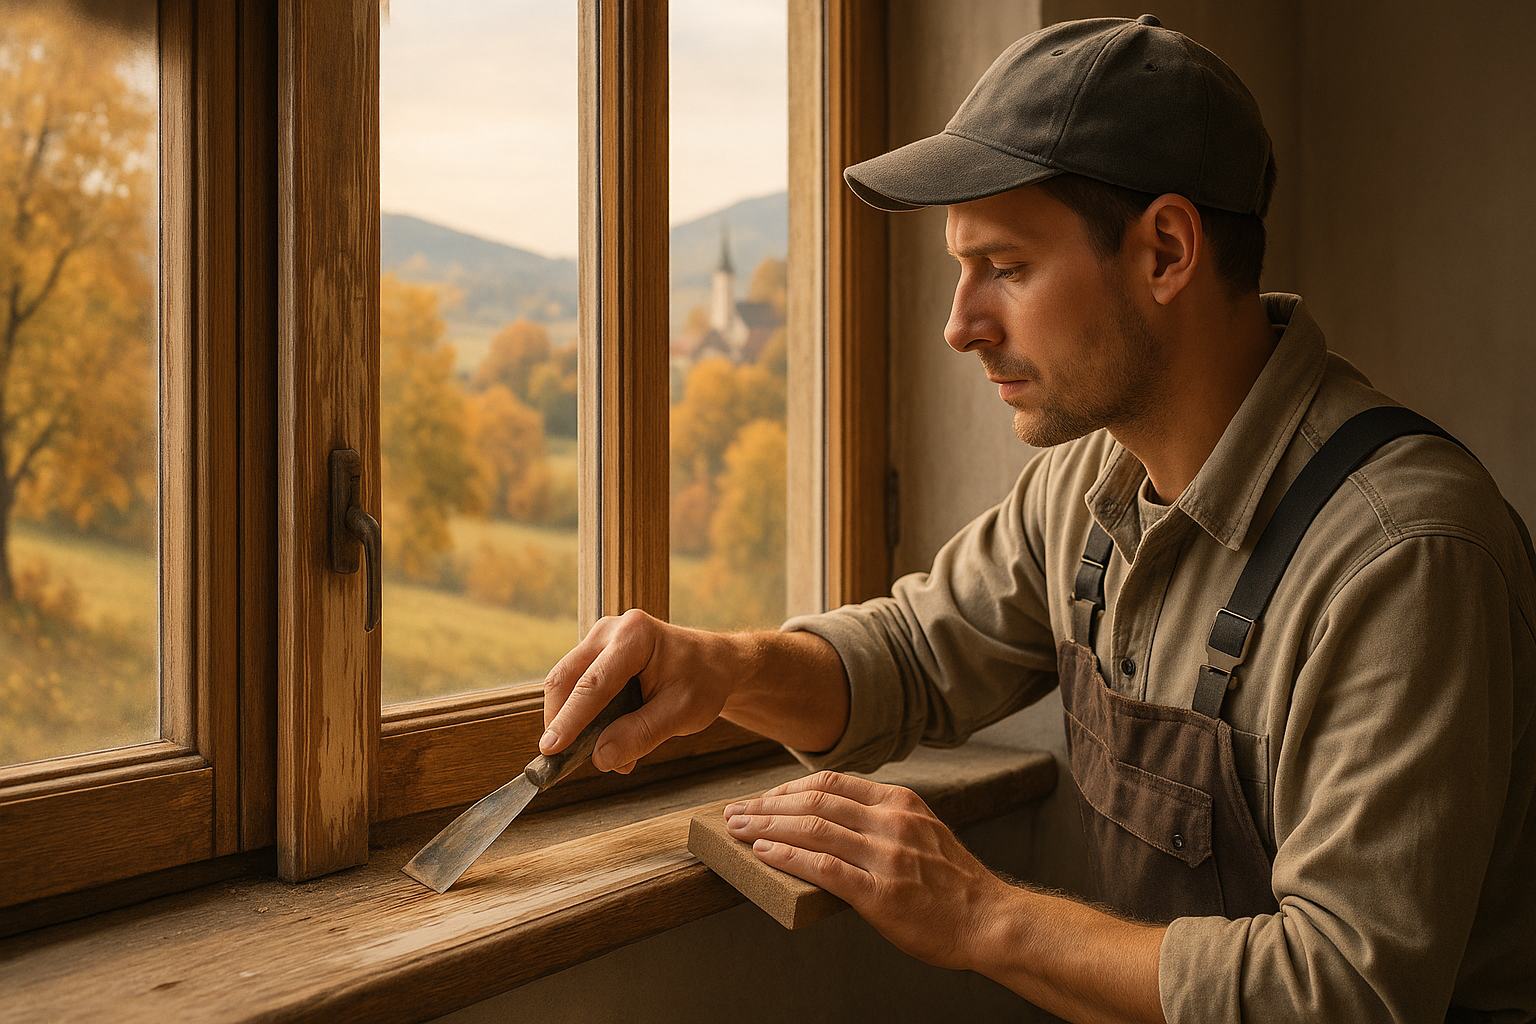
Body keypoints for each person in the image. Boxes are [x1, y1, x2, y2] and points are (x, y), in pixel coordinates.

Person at [538, 15, 1536, 1024]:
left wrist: (980, 916)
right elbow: (916, 657)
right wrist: (725, 668)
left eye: (1005, 267)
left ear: (1166, 249)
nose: (960, 323)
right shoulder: (1090, 485)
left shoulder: (1403, 557)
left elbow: (1342, 993)